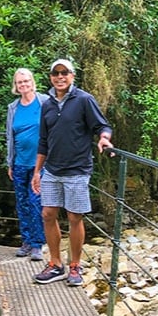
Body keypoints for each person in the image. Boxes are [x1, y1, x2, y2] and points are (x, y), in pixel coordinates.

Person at [31, 59, 113, 286]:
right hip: (52, 169)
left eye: (64, 73)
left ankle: (74, 266)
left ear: (72, 75)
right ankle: (55, 264)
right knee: (48, 214)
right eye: (55, 73)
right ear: (50, 77)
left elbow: (102, 126)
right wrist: (37, 171)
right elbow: (43, 141)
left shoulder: (84, 100)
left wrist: (105, 140)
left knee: (74, 217)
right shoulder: (47, 104)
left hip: (77, 169)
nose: (60, 77)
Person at [6, 68, 48, 261]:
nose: (23, 85)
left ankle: (38, 244)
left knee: (35, 202)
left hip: (40, 164)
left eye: (26, 81)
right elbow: (9, 137)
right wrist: (10, 163)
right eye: (20, 82)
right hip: (19, 163)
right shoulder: (13, 108)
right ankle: (27, 241)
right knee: (22, 203)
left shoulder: (44, 102)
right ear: (16, 85)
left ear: (32, 82)